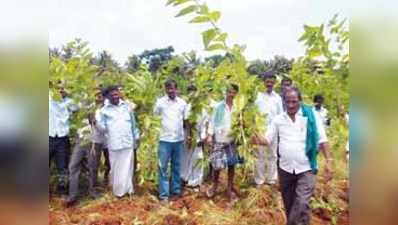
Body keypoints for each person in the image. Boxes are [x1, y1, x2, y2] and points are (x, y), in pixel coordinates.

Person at [252, 87, 333, 225]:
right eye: (287, 102)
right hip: (285, 170)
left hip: (306, 168)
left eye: (294, 101)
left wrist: (329, 161)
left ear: (300, 101)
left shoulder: (311, 116)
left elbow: (322, 139)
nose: (290, 105)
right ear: (283, 102)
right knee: (290, 207)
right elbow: (267, 140)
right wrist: (254, 136)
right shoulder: (278, 120)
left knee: (301, 203)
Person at [65, 90, 108, 207]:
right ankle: (72, 196)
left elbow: (104, 130)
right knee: (73, 166)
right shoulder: (85, 106)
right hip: (81, 140)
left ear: (103, 98)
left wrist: (94, 121)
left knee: (93, 168)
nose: (97, 97)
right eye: (95, 95)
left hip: (95, 142)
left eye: (99, 95)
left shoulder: (104, 111)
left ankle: (92, 193)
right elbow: (72, 108)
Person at [96, 86, 140, 197]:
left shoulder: (127, 106)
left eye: (117, 94)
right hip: (114, 143)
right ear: (108, 97)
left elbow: (134, 124)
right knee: (116, 168)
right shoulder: (104, 110)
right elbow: (102, 128)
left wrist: (136, 137)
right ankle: (119, 192)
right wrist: (95, 122)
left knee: (128, 167)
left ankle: (129, 190)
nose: (115, 96)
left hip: (128, 141)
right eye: (112, 95)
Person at [154, 79, 190, 203]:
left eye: (173, 88)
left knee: (176, 166)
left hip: (178, 140)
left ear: (177, 89)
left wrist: (188, 136)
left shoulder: (182, 103)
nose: (171, 91)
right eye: (168, 88)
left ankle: (176, 191)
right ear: (165, 89)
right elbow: (155, 119)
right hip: (164, 139)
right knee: (162, 167)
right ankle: (164, 195)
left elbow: (186, 121)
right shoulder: (160, 103)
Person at [206, 84, 240, 203]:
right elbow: (212, 121)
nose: (230, 94)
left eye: (233, 92)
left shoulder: (238, 107)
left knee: (231, 164)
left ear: (236, 94)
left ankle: (229, 189)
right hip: (219, 138)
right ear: (225, 92)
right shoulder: (218, 106)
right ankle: (214, 186)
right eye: (229, 92)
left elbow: (242, 123)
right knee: (217, 165)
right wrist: (210, 135)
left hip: (232, 140)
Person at [254, 71, 283, 187]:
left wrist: (280, 131)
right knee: (259, 155)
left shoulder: (278, 98)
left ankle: (271, 179)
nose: (269, 83)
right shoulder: (257, 95)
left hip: (273, 130)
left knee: (272, 155)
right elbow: (253, 112)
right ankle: (259, 180)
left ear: (275, 83)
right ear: (264, 82)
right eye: (267, 81)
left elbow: (280, 115)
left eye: (272, 81)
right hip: (259, 129)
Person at [49, 87, 78, 194]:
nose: (60, 91)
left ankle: (62, 190)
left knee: (63, 166)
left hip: (62, 139)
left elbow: (79, 107)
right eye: (58, 89)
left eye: (63, 89)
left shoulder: (69, 102)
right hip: (48, 136)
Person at [181, 85, 208, 188]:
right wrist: (188, 136)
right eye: (190, 93)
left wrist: (203, 137)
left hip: (198, 137)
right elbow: (185, 122)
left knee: (197, 158)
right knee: (185, 158)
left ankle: (196, 182)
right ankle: (184, 179)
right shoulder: (186, 107)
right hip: (187, 136)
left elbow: (205, 123)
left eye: (194, 93)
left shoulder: (203, 108)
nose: (192, 95)